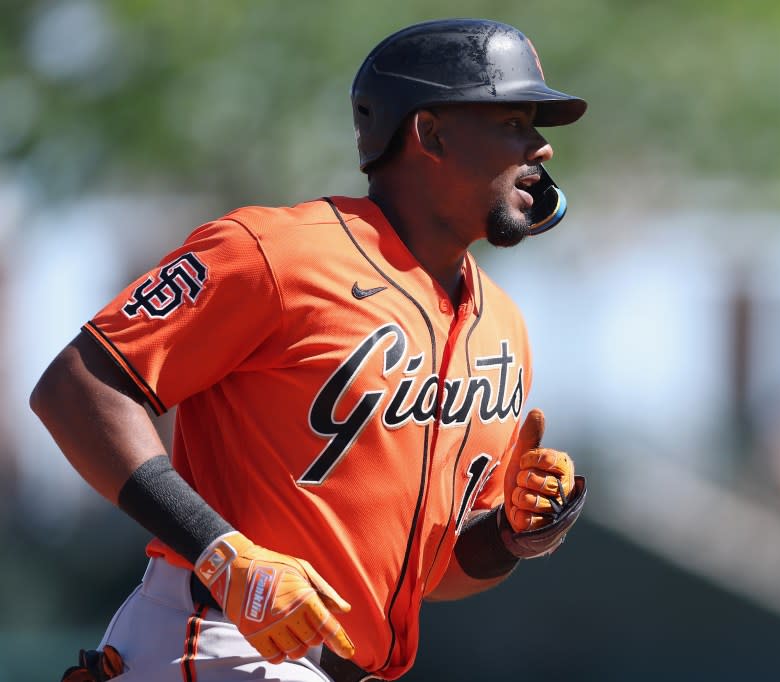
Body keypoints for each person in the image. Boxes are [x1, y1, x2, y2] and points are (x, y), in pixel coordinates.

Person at [31, 17, 587, 682]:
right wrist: (223, 554)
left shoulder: (502, 326)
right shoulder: (274, 254)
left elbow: (437, 575)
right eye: (511, 121)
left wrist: (511, 535)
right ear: (428, 134)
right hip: (220, 642)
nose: (540, 147)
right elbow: (76, 386)